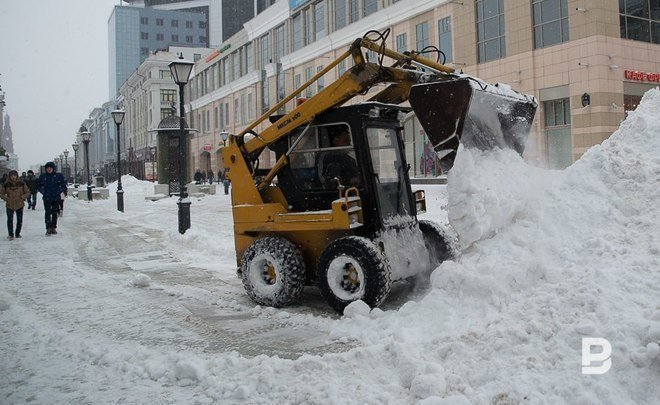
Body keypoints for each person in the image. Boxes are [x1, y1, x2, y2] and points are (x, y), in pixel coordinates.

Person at [36, 162, 67, 235]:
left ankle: (53, 227)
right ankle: (48, 228)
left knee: (54, 212)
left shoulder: (58, 176)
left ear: (53, 169)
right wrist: (43, 191)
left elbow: (63, 184)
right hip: (47, 197)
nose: (49, 169)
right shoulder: (43, 176)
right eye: (48, 168)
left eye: (50, 168)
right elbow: (38, 185)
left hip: (56, 197)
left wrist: (59, 191)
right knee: (47, 212)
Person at [0, 170, 30, 240]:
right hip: (10, 204)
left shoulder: (21, 183)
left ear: (17, 176)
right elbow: (1, 193)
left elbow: (27, 192)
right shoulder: (6, 184)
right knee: (10, 220)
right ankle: (10, 234)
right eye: (12, 176)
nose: (13, 177)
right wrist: (6, 198)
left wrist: (22, 197)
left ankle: (17, 233)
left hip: (19, 204)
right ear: (9, 176)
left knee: (19, 220)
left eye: (14, 175)